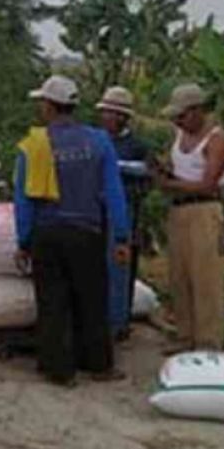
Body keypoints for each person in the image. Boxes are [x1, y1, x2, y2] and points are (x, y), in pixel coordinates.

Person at [14, 75, 131, 386]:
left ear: (50, 106)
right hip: (87, 232)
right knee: (92, 300)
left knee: (53, 301)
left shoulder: (33, 144)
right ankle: (98, 365)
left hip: (47, 233)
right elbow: (113, 192)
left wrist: (23, 240)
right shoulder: (99, 142)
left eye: (42, 103)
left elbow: (23, 199)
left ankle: (58, 369)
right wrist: (121, 235)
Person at [156, 83, 224, 353]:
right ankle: (184, 335)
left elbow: (208, 184)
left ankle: (208, 342)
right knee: (180, 276)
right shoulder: (179, 135)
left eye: (183, 115)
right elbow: (181, 170)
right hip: (179, 210)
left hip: (203, 210)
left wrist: (168, 184)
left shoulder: (216, 138)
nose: (178, 121)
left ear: (198, 111)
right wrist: (165, 173)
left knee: (205, 279)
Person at [96, 86, 151, 340]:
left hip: (126, 213)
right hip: (95, 212)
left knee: (121, 267)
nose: (106, 118)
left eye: (111, 113)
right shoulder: (95, 139)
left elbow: (149, 174)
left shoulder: (136, 146)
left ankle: (119, 322)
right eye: (104, 112)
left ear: (122, 117)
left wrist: (118, 167)